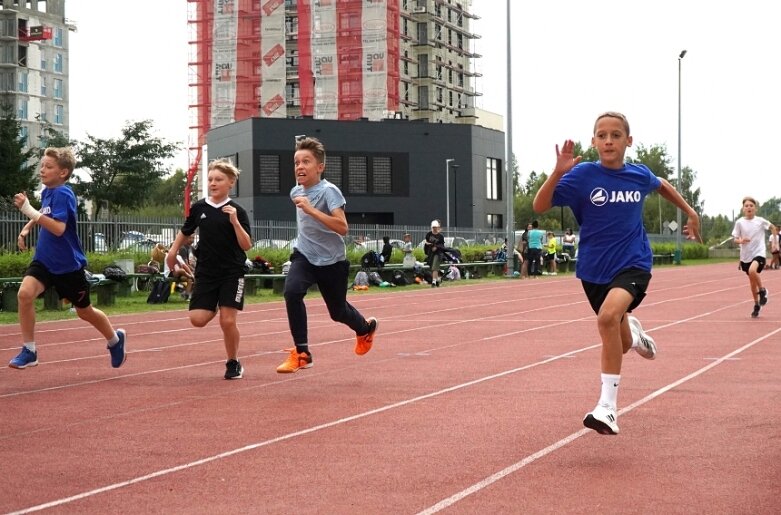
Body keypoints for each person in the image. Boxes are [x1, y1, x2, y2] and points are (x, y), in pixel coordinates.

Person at [533, 111, 701, 435]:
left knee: (607, 318)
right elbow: (541, 206)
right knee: (620, 342)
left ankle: (607, 408)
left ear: (628, 141)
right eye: (601, 135)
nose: (608, 141)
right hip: (594, 270)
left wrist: (690, 211)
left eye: (615, 135)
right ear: (594, 141)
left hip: (633, 263)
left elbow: (661, 184)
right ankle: (635, 335)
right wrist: (556, 173)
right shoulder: (582, 176)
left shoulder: (638, 175)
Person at [8, 147, 127, 370]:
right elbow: (45, 212)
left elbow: (59, 228)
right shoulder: (48, 192)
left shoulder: (64, 193)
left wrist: (29, 211)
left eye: (48, 167)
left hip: (67, 267)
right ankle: (29, 350)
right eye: (42, 165)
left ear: (63, 173)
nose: (42, 170)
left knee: (85, 311)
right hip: (44, 260)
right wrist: (27, 227)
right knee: (24, 294)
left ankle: (115, 340)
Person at [276, 137, 378, 373]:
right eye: (296, 162)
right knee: (292, 292)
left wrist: (311, 210)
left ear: (320, 167)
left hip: (332, 261)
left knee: (338, 311)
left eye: (306, 162)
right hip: (304, 255)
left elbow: (343, 227)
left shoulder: (329, 191)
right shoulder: (295, 192)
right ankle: (302, 352)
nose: (299, 167)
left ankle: (364, 328)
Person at [165, 158, 252, 380]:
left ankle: (233, 362)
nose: (213, 183)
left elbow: (246, 245)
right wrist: (172, 252)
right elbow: (186, 231)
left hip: (232, 272)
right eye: (210, 179)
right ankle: (215, 305)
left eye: (218, 179)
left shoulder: (237, 211)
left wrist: (234, 222)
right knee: (197, 319)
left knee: (228, 321)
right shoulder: (199, 208)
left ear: (230, 182)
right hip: (206, 272)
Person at [731, 197, 777, 318]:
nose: (749, 207)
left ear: (755, 208)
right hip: (746, 256)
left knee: (753, 271)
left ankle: (762, 291)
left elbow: (773, 228)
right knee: (752, 283)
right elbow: (735, 239)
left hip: (759, 253)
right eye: (746, 206)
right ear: (743, 209)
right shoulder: (739, 222)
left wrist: (775, 243)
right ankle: (756, 305)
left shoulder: (760, 221)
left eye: (751, 205)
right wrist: (741, 240)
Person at [423, 220, 445, 287]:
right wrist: (429, 244)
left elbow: (442, 246)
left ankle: (434, 282)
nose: (434, 229)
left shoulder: (440, 236)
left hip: (438, 254)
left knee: (434, 267)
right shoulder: (429, 234)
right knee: (432, 267)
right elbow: (426, 242)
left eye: (436, 227)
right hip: (430, 253)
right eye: (433, 227)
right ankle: (437, 279)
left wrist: (436, 247)